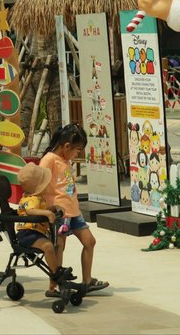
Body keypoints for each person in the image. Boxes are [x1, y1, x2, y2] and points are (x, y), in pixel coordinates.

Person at [40, 123, 109, 294]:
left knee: (89, 242)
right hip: (59, 212)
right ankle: (54, 285)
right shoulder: (49, 159)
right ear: (66, 146)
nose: (77, 154)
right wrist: (48, 209)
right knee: (59, 246)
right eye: (77, 150)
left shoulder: (65, 159)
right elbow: (38, 184)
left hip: (73, 211)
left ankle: (87, 281)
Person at [16, 162, 72, 296]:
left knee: (56, 244)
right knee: (48, 246)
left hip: (36, 233)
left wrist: (53, 208)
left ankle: (54, 281)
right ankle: (56, 274)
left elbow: (40, 209)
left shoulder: (37, 198)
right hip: (27, 234)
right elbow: (31, 211)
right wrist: (47, 213)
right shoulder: (31, 199)